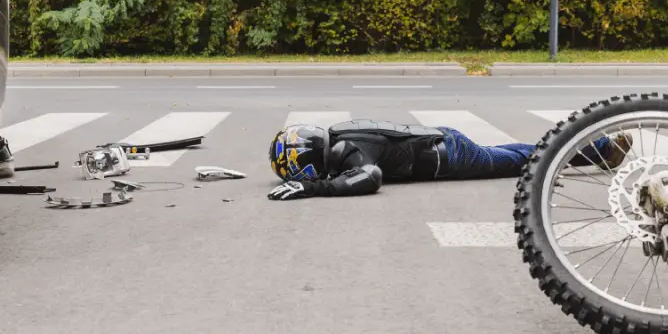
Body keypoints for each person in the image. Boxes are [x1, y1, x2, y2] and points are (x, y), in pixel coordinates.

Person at [267, 119, 631, 200]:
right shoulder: (344, 135)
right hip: (442, 140)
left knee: (524, 159)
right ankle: (600, 149)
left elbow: (370, 177)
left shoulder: (349, 150)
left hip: (450, 157)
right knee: (522, 153)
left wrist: (314, 188)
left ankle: (600, 150)